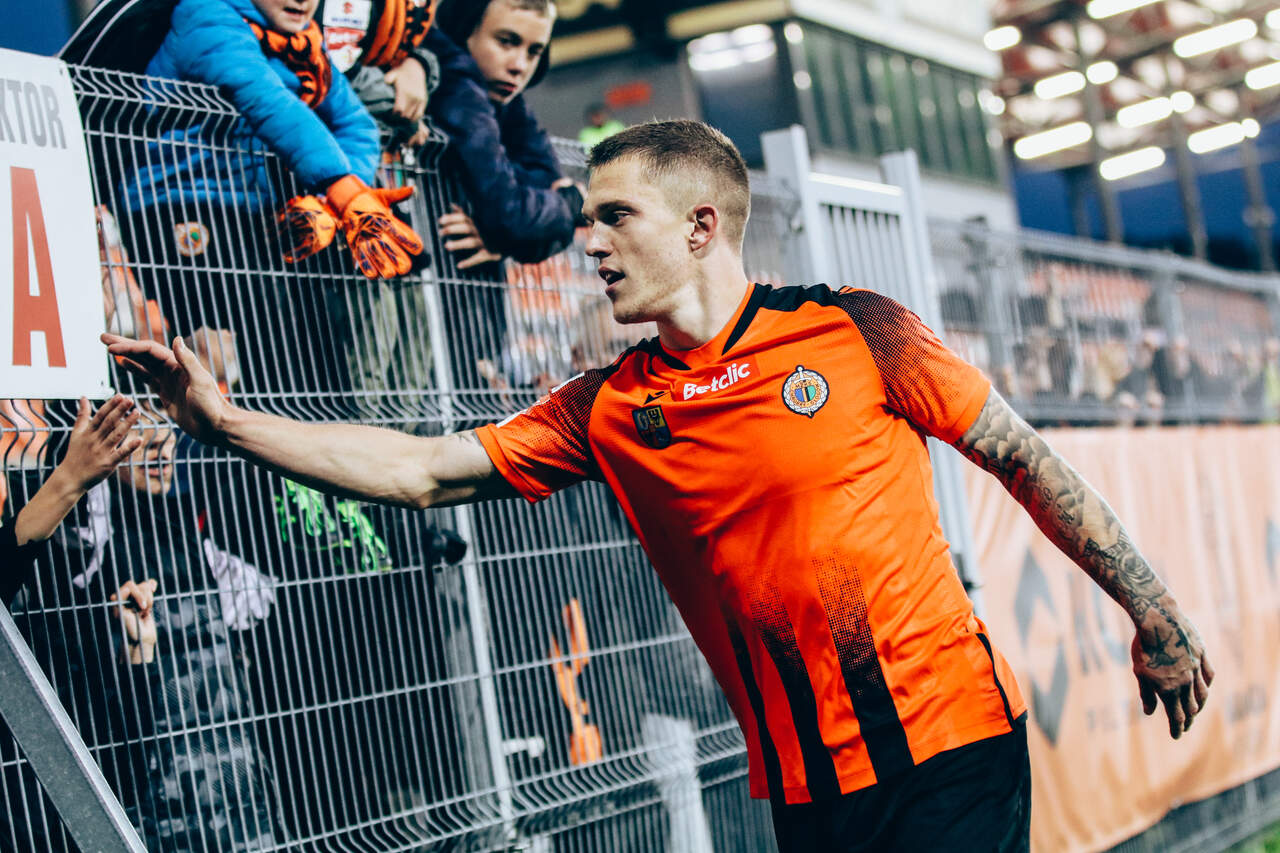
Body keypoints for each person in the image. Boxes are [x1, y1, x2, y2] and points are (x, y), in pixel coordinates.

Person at [106, 119, 1212, 853]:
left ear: (698, 226)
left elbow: (1021, 456)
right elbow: (421, 469)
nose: (587, 241)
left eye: (613, 216)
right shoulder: (606, 406)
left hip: (950, 746)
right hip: (805, 787)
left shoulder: (855, 330)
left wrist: (1152, 610)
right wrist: (224, 421)